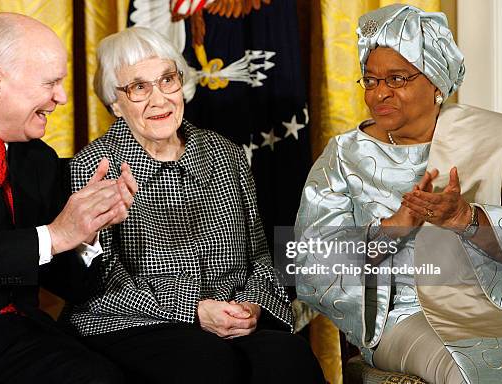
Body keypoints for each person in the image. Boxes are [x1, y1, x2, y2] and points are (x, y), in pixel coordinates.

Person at [62, 26, 325, 384]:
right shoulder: (94, 168)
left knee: (289, 357)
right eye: (139, 88)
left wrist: (251, 306)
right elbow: (100, 283)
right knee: (207, 363)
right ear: (114, 103)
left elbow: (261, 256)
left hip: (233, 314)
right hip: (138, 321)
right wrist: (194, 310)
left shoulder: (225, 155)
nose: (159, 100)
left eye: (167, 80)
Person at [295, 4, 502, 384]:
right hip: (402, 316)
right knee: (476, 370)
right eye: (370, 81)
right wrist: (392, 229)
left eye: (397, 79)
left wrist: (469, 220)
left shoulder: (499, 138)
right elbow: (307, 261)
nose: (379, 93)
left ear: (435, 82)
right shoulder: (344, 157)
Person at [0, 13, 137, 383]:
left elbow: (73, 287)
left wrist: (87, 233)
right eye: (50, 83)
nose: (61, 98)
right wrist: (55, 234)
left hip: (19, 338)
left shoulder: (39, 158)